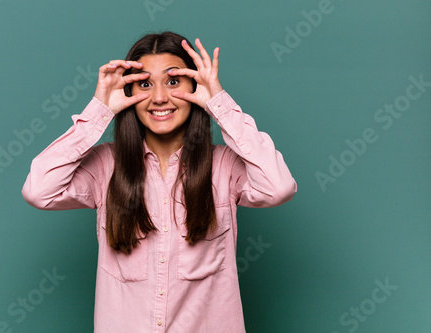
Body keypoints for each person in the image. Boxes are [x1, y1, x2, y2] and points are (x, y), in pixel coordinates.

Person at [22, 31, 297, 333]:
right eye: (144, 84)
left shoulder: (224, 166)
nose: (159, 98)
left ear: (194, 86)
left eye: (173, 81)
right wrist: (99, 111)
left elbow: (279, 186)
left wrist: (218, 103)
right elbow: (39, 190)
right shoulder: (105, 166)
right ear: (129, 92)